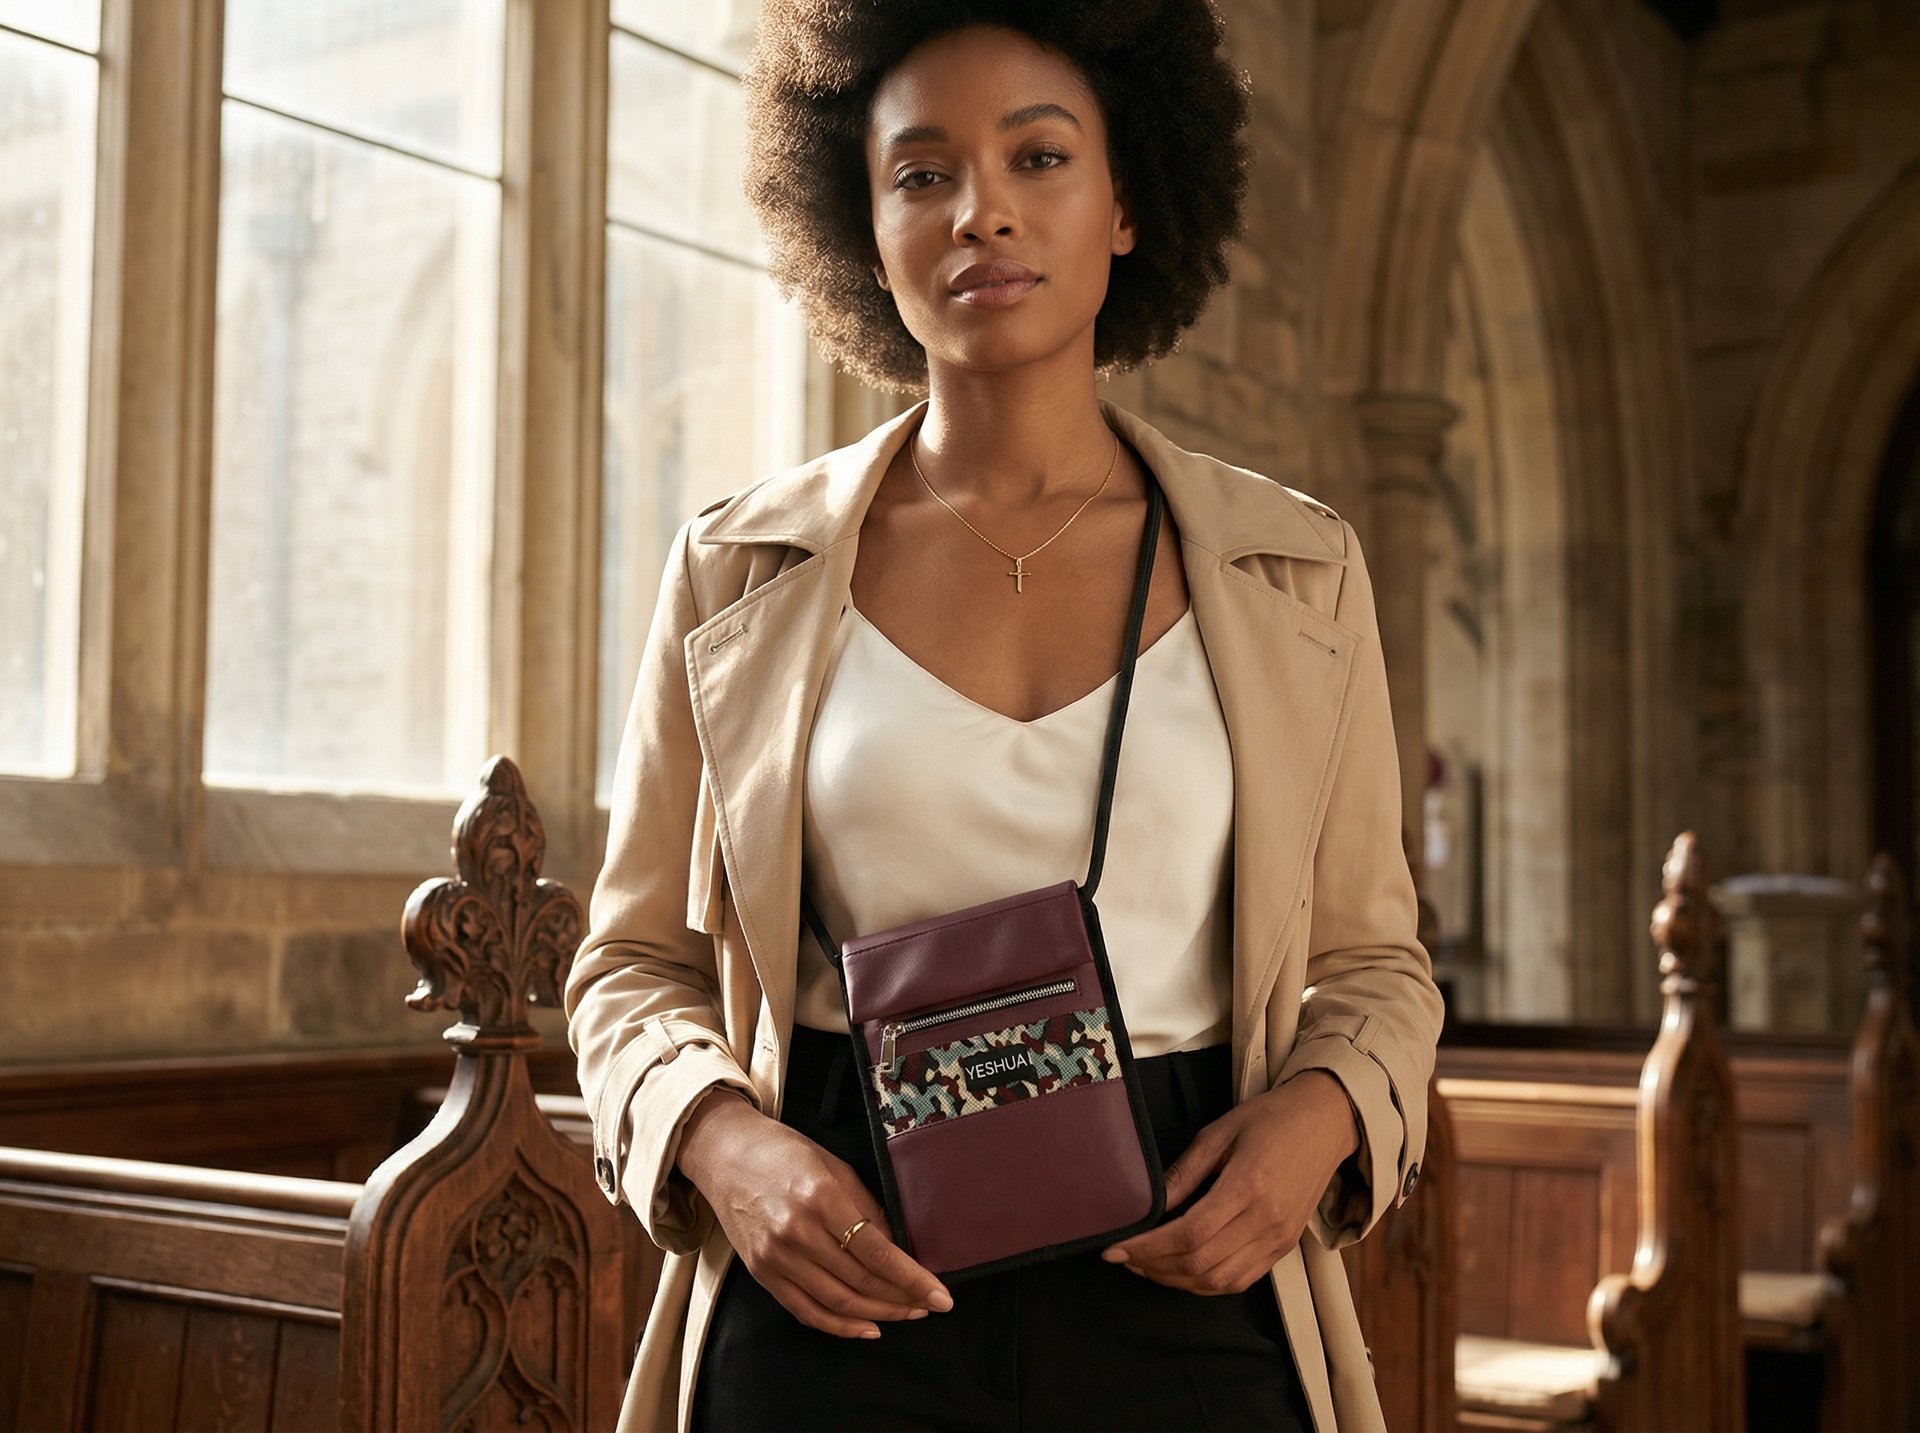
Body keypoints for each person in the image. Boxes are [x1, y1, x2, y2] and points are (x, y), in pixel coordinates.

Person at [564, 3, 1445, 1430]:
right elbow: (629, 967)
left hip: (1190, 1265)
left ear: (1125, 205)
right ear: (862, 221)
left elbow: (1377, 967)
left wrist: (1317, 1121)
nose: (981, 212)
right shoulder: (738, 572)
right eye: (922, 174)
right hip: (835, 1274)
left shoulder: (1296, 570)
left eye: (1039, 157)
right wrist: (725, 1144)